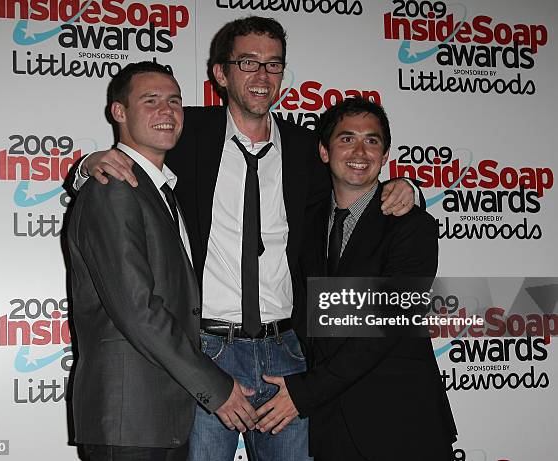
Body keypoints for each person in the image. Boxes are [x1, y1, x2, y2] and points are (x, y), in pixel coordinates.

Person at [73, 17, 419, 461]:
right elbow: (136, 150)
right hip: (207, 353)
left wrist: (409, 188)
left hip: (286, 352)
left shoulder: (305, 149)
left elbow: (358, 179)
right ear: (221, 73)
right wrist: (90, 165)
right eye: (248, 63)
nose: (262, 76)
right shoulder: (185, 131)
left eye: (273, 65)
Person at [66, 61, 259, 461]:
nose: (166, 111)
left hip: (162, 414)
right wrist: (217, 387)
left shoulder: (161, 189)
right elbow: (137, 309)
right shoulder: (113, 189)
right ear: (119, 112)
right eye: (150, 101)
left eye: (174, 101)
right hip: (131, 417)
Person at [255, 97, 458, 461]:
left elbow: (385, 325)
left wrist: (305, 393)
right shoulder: (305, 223)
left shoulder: (412, 226)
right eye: (347, 139)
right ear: (323, 151)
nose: (360, 151)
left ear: (385, 155)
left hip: (402, 422)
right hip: (331, 425)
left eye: (372, 141)